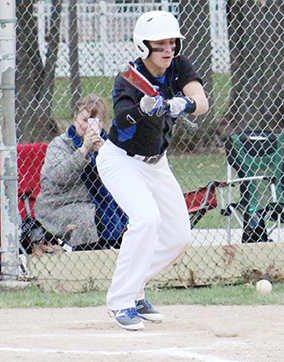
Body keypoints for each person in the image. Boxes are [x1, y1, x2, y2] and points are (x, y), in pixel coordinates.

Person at [96, 11, 209, 330]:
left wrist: (182, 104)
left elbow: (202, 101)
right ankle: (121, 301)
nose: (168, 49)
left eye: (171, 42)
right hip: (120, 160)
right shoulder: (129, 80)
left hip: (156, 163)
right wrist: (141, 109)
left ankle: (134, 289)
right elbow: (119, 121)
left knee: (178, 236)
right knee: (146, 219)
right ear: (144, 46)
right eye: (160, 44)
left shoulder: (179, 66)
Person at [34, 94, 128, 251]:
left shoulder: (108, 146)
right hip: (57, 206)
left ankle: (119, 254)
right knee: (87, 217)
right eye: (85, 121)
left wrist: (105, 155)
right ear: (75, 119)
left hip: (94, 203)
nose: (89, 127)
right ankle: (86, 259)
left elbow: (123, 179)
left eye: (95, 122)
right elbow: (59, 177)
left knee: (125, 212)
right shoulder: (60, 144)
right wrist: (83, 150)